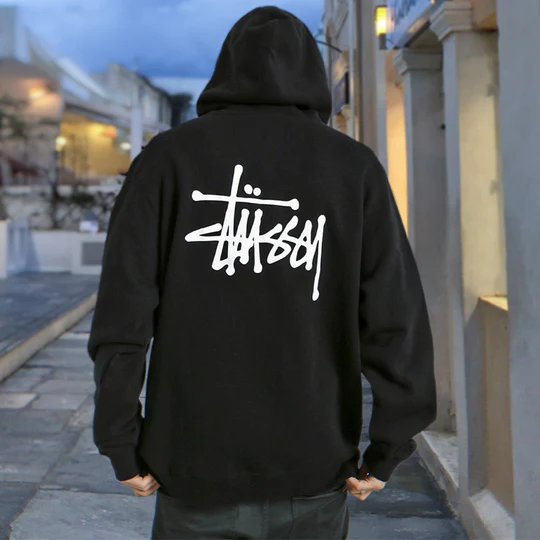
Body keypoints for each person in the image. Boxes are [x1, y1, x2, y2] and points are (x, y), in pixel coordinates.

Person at [88, 5, 437, 539]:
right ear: (312, 74)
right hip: (313, 463)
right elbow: (396, 317)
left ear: (226, 68)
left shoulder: (167, 160)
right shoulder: (352, 167)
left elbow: (122, 311)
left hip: (194, 465)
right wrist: (389, 447)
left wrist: (119, 439)